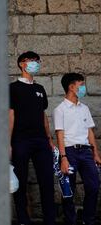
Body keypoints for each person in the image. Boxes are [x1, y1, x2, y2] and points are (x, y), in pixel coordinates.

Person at [9, 51, 55, 225]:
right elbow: (10, 115)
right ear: (22, 64)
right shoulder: (12, 88)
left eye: (37, 60)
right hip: (20, 141)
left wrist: (49, 139)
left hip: (41, 141)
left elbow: (43, 115)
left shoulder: (39, 89)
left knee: (47, 181)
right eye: (31, 60)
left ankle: (49, 219)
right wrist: (8, 143)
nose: (35, 63)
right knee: (19, 181)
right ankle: (23, 219)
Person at [54, 73, 100, 225]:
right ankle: (70, 220)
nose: (83, 88)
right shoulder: (60, 110)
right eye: (81, 85)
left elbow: (90, 132)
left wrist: (95, 153)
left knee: (93, 186)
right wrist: (64, 158)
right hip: (70, 152)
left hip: (86, 152)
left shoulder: (84, 108)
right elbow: (60, 135)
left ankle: (89, 219)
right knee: (68, 190)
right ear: (71, 87)